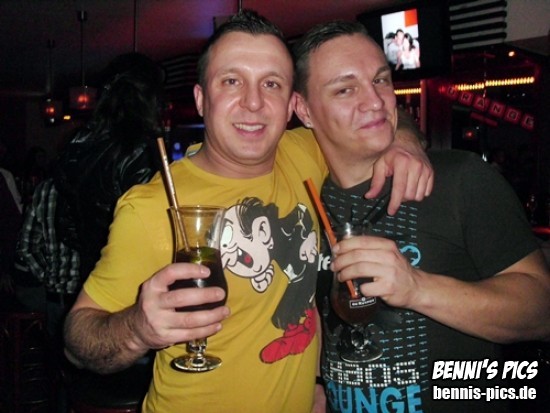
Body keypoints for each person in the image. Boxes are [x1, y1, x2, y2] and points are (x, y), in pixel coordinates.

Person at [63, 10, 432, 413]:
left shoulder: (304, 153)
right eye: (232, 81)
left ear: (292, 106)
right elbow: (77, 342)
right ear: (201, 100)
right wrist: (137, 328)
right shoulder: (151, 207)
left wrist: (404, 142)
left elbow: (375, 115)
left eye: (271, 84)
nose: (253, 102)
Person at [292, 20, 550, 412]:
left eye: (380, 80)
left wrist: (417, 288)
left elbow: (542, 311)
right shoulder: (300, 201)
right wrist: (317, 382)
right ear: (304, 110)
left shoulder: (461, 179)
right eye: (345, 89)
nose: (375, 101)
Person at [54, 52, 166, 282]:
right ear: (149, 96)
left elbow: (65, 226)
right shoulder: (142, 148)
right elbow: (156, 230)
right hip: (135, 279)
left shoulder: (78, 143)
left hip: (94, 274)